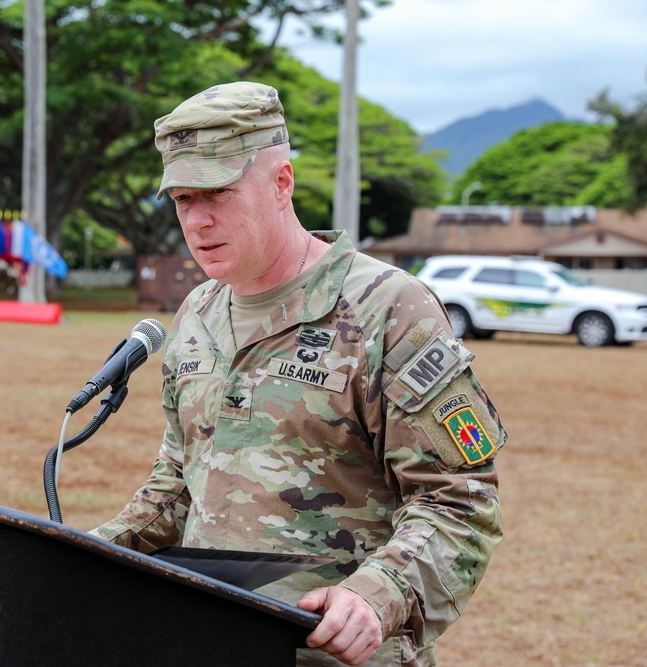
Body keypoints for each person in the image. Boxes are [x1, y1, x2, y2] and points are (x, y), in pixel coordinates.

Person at [91, 81, 506, 666]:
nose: (199, 221)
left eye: (218, 193)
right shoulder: (197, 315)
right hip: (209, 645)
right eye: (183, 199)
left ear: (281, 183)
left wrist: (376, 596)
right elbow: (180, 482)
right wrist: (86, 554)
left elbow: (459, 500)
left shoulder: (388, 308)